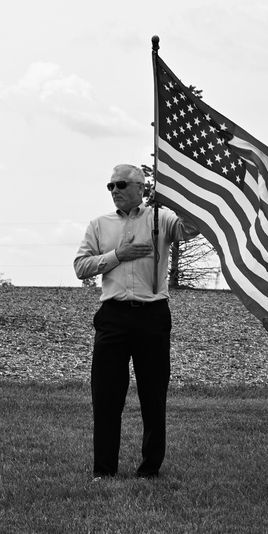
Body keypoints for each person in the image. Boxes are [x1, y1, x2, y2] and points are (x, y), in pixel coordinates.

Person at [74, 164, 197, 479]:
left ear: (141, 188)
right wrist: (118, 255)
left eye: (122, 184)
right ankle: (104, 470)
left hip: (152, 316)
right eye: (110, 185)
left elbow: (189, 228)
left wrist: (181, 199)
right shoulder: (99, 225)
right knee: (105, 396)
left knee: (153, 396)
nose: (115, 190)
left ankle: (150, 469)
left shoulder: (160, 219)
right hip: (112, 316)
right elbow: (81, 267)